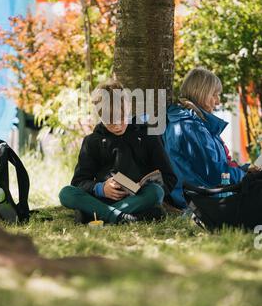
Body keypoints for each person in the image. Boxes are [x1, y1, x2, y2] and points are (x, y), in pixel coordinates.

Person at [59, 79, 177, 224]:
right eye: (110, 122)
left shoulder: (148, 135)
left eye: (121, 118)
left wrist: (141, 186)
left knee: (156, 192)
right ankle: (122, 217)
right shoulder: (92, 141)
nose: (117, 126)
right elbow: (78, 182)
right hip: (103, 199)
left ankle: (96, 216)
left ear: (128, 108)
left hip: (137, 198)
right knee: (66, 193)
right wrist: (101, 188)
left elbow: (170, 179)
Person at [163, 67, 257, 209]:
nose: (218, 102)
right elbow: (215, 174)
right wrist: (246, 177)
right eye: (214, 95)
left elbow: (216, 166)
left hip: (202, 194)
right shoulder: (189, 127)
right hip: (199, 199)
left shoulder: (194, 123)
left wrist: (245, 170)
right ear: (202, 94)